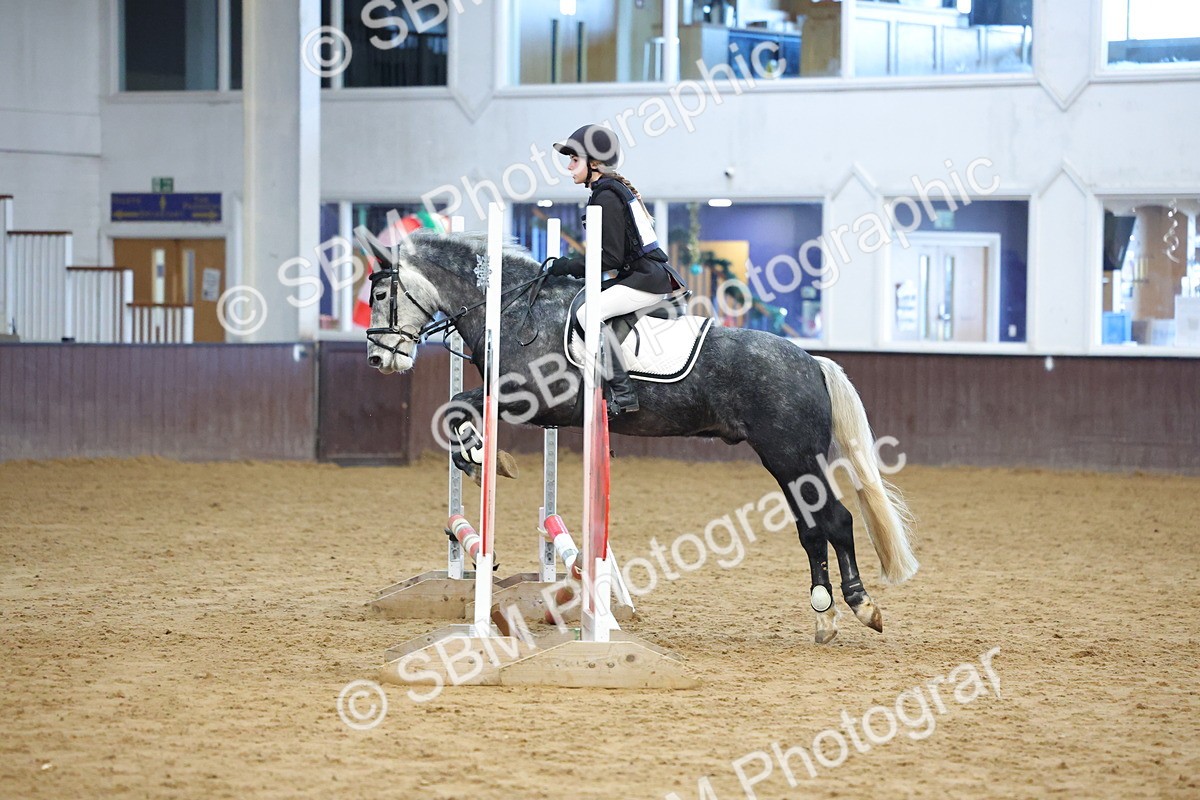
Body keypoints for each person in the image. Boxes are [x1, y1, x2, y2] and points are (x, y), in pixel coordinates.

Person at [546, 124, 686, 417]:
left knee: (588, 313)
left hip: (646, 280)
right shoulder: (606, 191)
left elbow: (608, 257)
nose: (569, 166)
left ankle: (623, 393)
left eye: (574, 160)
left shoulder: (607, 196)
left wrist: (568, 266)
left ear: (594, 164)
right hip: (640, 276)